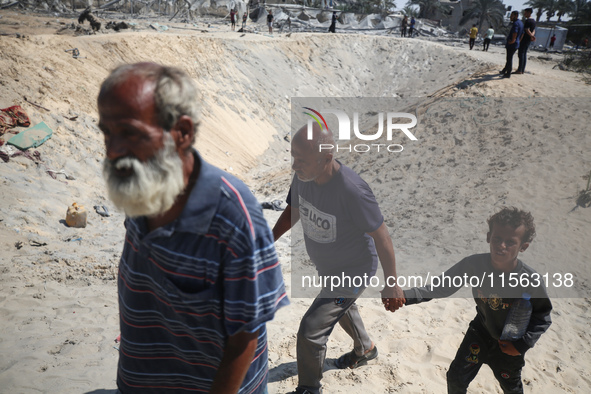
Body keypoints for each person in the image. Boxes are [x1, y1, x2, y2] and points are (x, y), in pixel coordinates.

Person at [98, 62, 289, 393]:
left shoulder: (233, 216)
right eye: (106, 132)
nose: (113, 150)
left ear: (182, 132)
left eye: (130, 133)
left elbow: (245, 336)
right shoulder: (143, 188)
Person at [273, 124, 405, 394]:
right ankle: (365, 349)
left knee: (311, 329)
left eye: (302, 160)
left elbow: (382, 237)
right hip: (328, 265)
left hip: (353, 269)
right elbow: (293, 210)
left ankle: (309, 388)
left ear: (326, 158)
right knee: (342, 308)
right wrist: (266, 239)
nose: (294, 165)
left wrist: (391, 284)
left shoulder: (353, 190)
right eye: (293, 157)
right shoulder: (304, 176)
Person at [399, 207, 552, 394]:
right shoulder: (474, 265)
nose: (501, 245)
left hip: (510, 344)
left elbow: (542, 316)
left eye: (510, 242)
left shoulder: (529, 280)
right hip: (480, 333)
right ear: (489, 237)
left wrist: (521, 345)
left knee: (511, 388)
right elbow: (440, 287)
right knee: (455, 379)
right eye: (497, 239)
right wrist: (405, 296)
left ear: (523, 246)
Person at [500, 11, 523, 78]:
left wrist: (513, 40)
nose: (510, 17)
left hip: (512, 44)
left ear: (516, 16)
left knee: (509, 59)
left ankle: (508, 73)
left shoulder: (516, 24)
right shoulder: (521, 23)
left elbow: (515, 32)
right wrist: (518, 40)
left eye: (511, 16)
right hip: (516, 44)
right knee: (509, 58)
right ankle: (504, 70)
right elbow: (523, 33)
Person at [515, 8, 536, 75]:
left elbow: (527, 30)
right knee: (524, 54)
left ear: (529, 12)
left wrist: (531, 36)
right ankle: (522, 69)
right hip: (528, 40)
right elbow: (533, 30)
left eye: (525, 12)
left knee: (521, 53)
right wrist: (532, 36)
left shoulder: (528, 21)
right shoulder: (533, 21)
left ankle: (520, 70)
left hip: (524, 39)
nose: (524, 14)